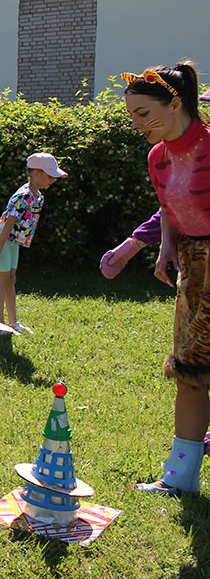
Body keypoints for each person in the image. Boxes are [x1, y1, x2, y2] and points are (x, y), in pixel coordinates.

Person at [119, 62, 210, 495]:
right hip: (194, 269)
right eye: (130, 115)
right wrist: (165, 245)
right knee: (190, 370)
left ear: (175, 104)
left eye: (142, 113)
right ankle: (180, 478)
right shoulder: (157, 157)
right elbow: (170, 209)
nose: (135, 124)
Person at [0, 153, 67, 334]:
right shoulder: (23, 196)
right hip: (3, 239)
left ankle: (13, 322)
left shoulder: (38, 196)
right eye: (50, 176)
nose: (52, 180)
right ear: (36, 173)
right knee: (2, 281)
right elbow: (8, 224)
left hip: (13, 241)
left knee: (11, 279)